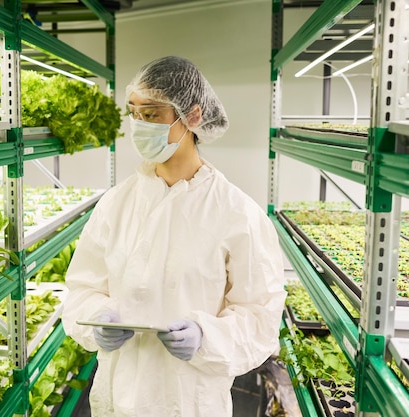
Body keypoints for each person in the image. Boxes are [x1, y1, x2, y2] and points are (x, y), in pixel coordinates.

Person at [61, 56, 286, 417]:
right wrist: (97, 317)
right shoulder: (116, 204)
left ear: (193, 116)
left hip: (191, 402)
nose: (138, 125)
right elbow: (82, 289)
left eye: (151, 115)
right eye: (133, 113)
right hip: (117, 399)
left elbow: (260, 314)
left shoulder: (237, 213)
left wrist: (205, 336)